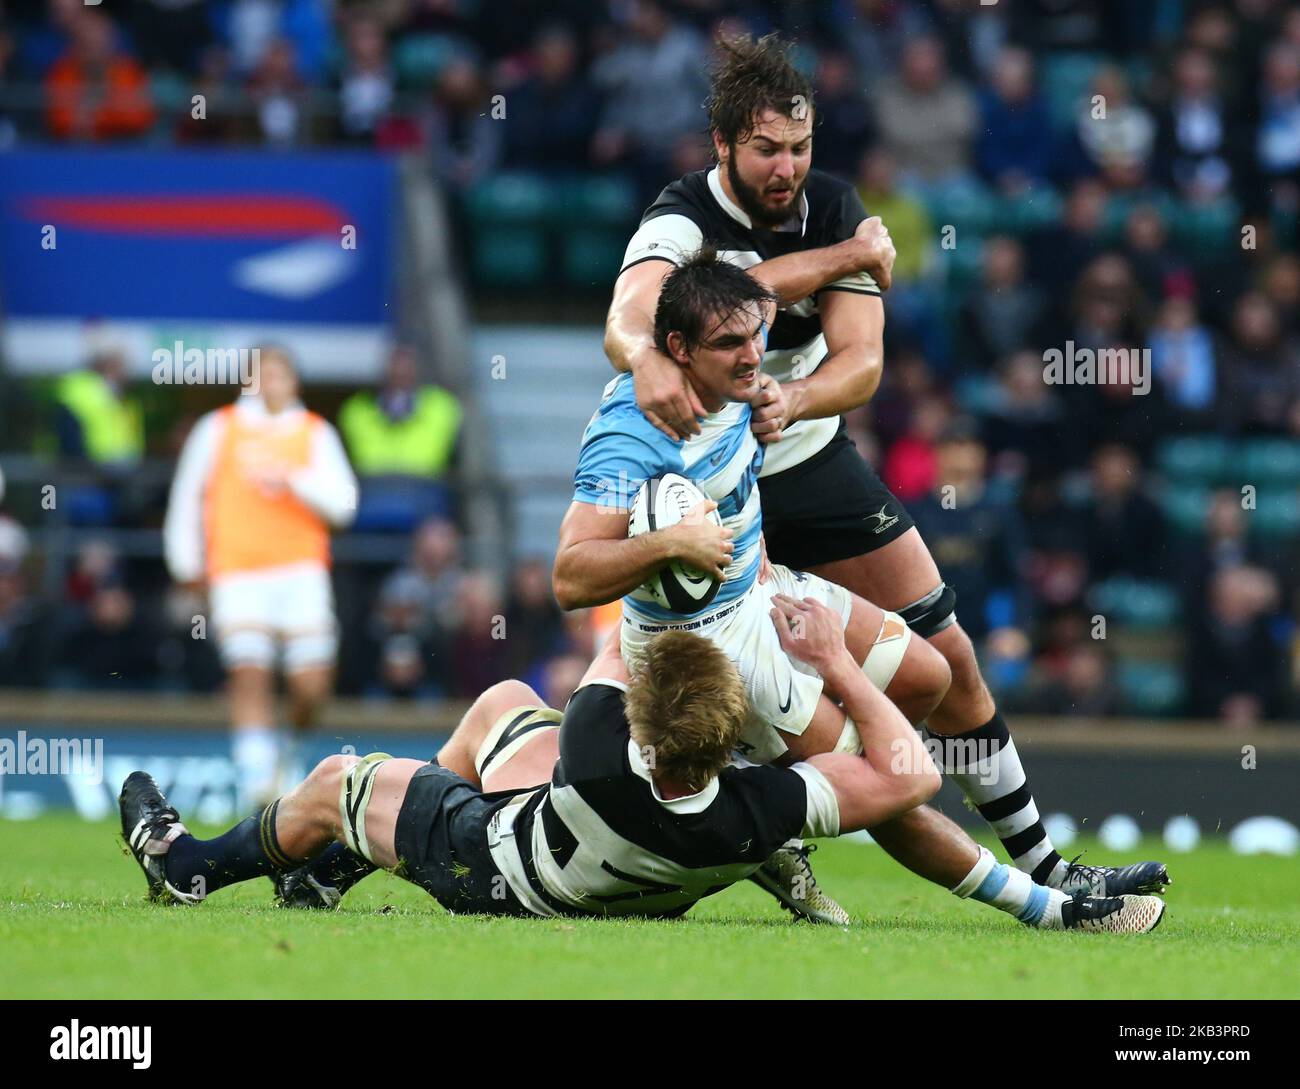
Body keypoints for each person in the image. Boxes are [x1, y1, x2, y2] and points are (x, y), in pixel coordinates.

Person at [602, 33, 1167, 899]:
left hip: (804, 457)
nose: (786, 166)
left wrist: (799, 402)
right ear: (722, 145)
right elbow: (630, 318)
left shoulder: (833, 205)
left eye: (799, 145)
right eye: (765, 149)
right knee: (643, 686)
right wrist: (643, 356)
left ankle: (1050, 866)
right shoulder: (682, 217)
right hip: (701, 482)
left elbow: (860, 362)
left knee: (953, 661)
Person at [119, 599, 1165, 934]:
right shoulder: (760, 802)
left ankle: (193, 866)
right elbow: (906, 774)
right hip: (655, 875)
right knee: (495, 711)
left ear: (642, 730)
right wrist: (834, 661)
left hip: (505, 868)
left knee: (340, 780)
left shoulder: (597, 750)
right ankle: (330, 876)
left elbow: (621, 622)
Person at [163, 346, 358, 808]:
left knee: (311, 685)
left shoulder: (315, 432)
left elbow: (346, 506)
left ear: (294, 381)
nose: (269, 383)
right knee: (249, 672)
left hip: (301, 571)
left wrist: (294, 479)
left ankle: (288, 759)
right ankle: (256, 782)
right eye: (261, 374)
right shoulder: (219, 427)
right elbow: (188, 495)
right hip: (238, 571)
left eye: (279, 374)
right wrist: (187, 565)